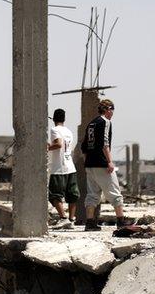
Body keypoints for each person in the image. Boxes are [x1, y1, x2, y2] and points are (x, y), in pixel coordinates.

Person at [81, 98, 128, 231]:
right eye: (112, 110)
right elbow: (104, 144)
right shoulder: (105, 122)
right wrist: (109, 161)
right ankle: (121, 222)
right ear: (108, 110)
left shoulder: (91, 123)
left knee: (92, 194)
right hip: (102, 163)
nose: (113, 113)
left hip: (90, 164)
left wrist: (87, 161)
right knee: (115, 193)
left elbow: (83, 146)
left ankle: (89, 223)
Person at [46, 108, 78, 229]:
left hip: (59, 167)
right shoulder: (69, 131)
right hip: (71, 166)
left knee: (54, 195)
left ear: (53, 119)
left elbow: (59, 144)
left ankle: (63, 218)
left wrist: (47, 147)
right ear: (64, 119)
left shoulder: (54, 130)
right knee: (72, 195)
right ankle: (71, 220)